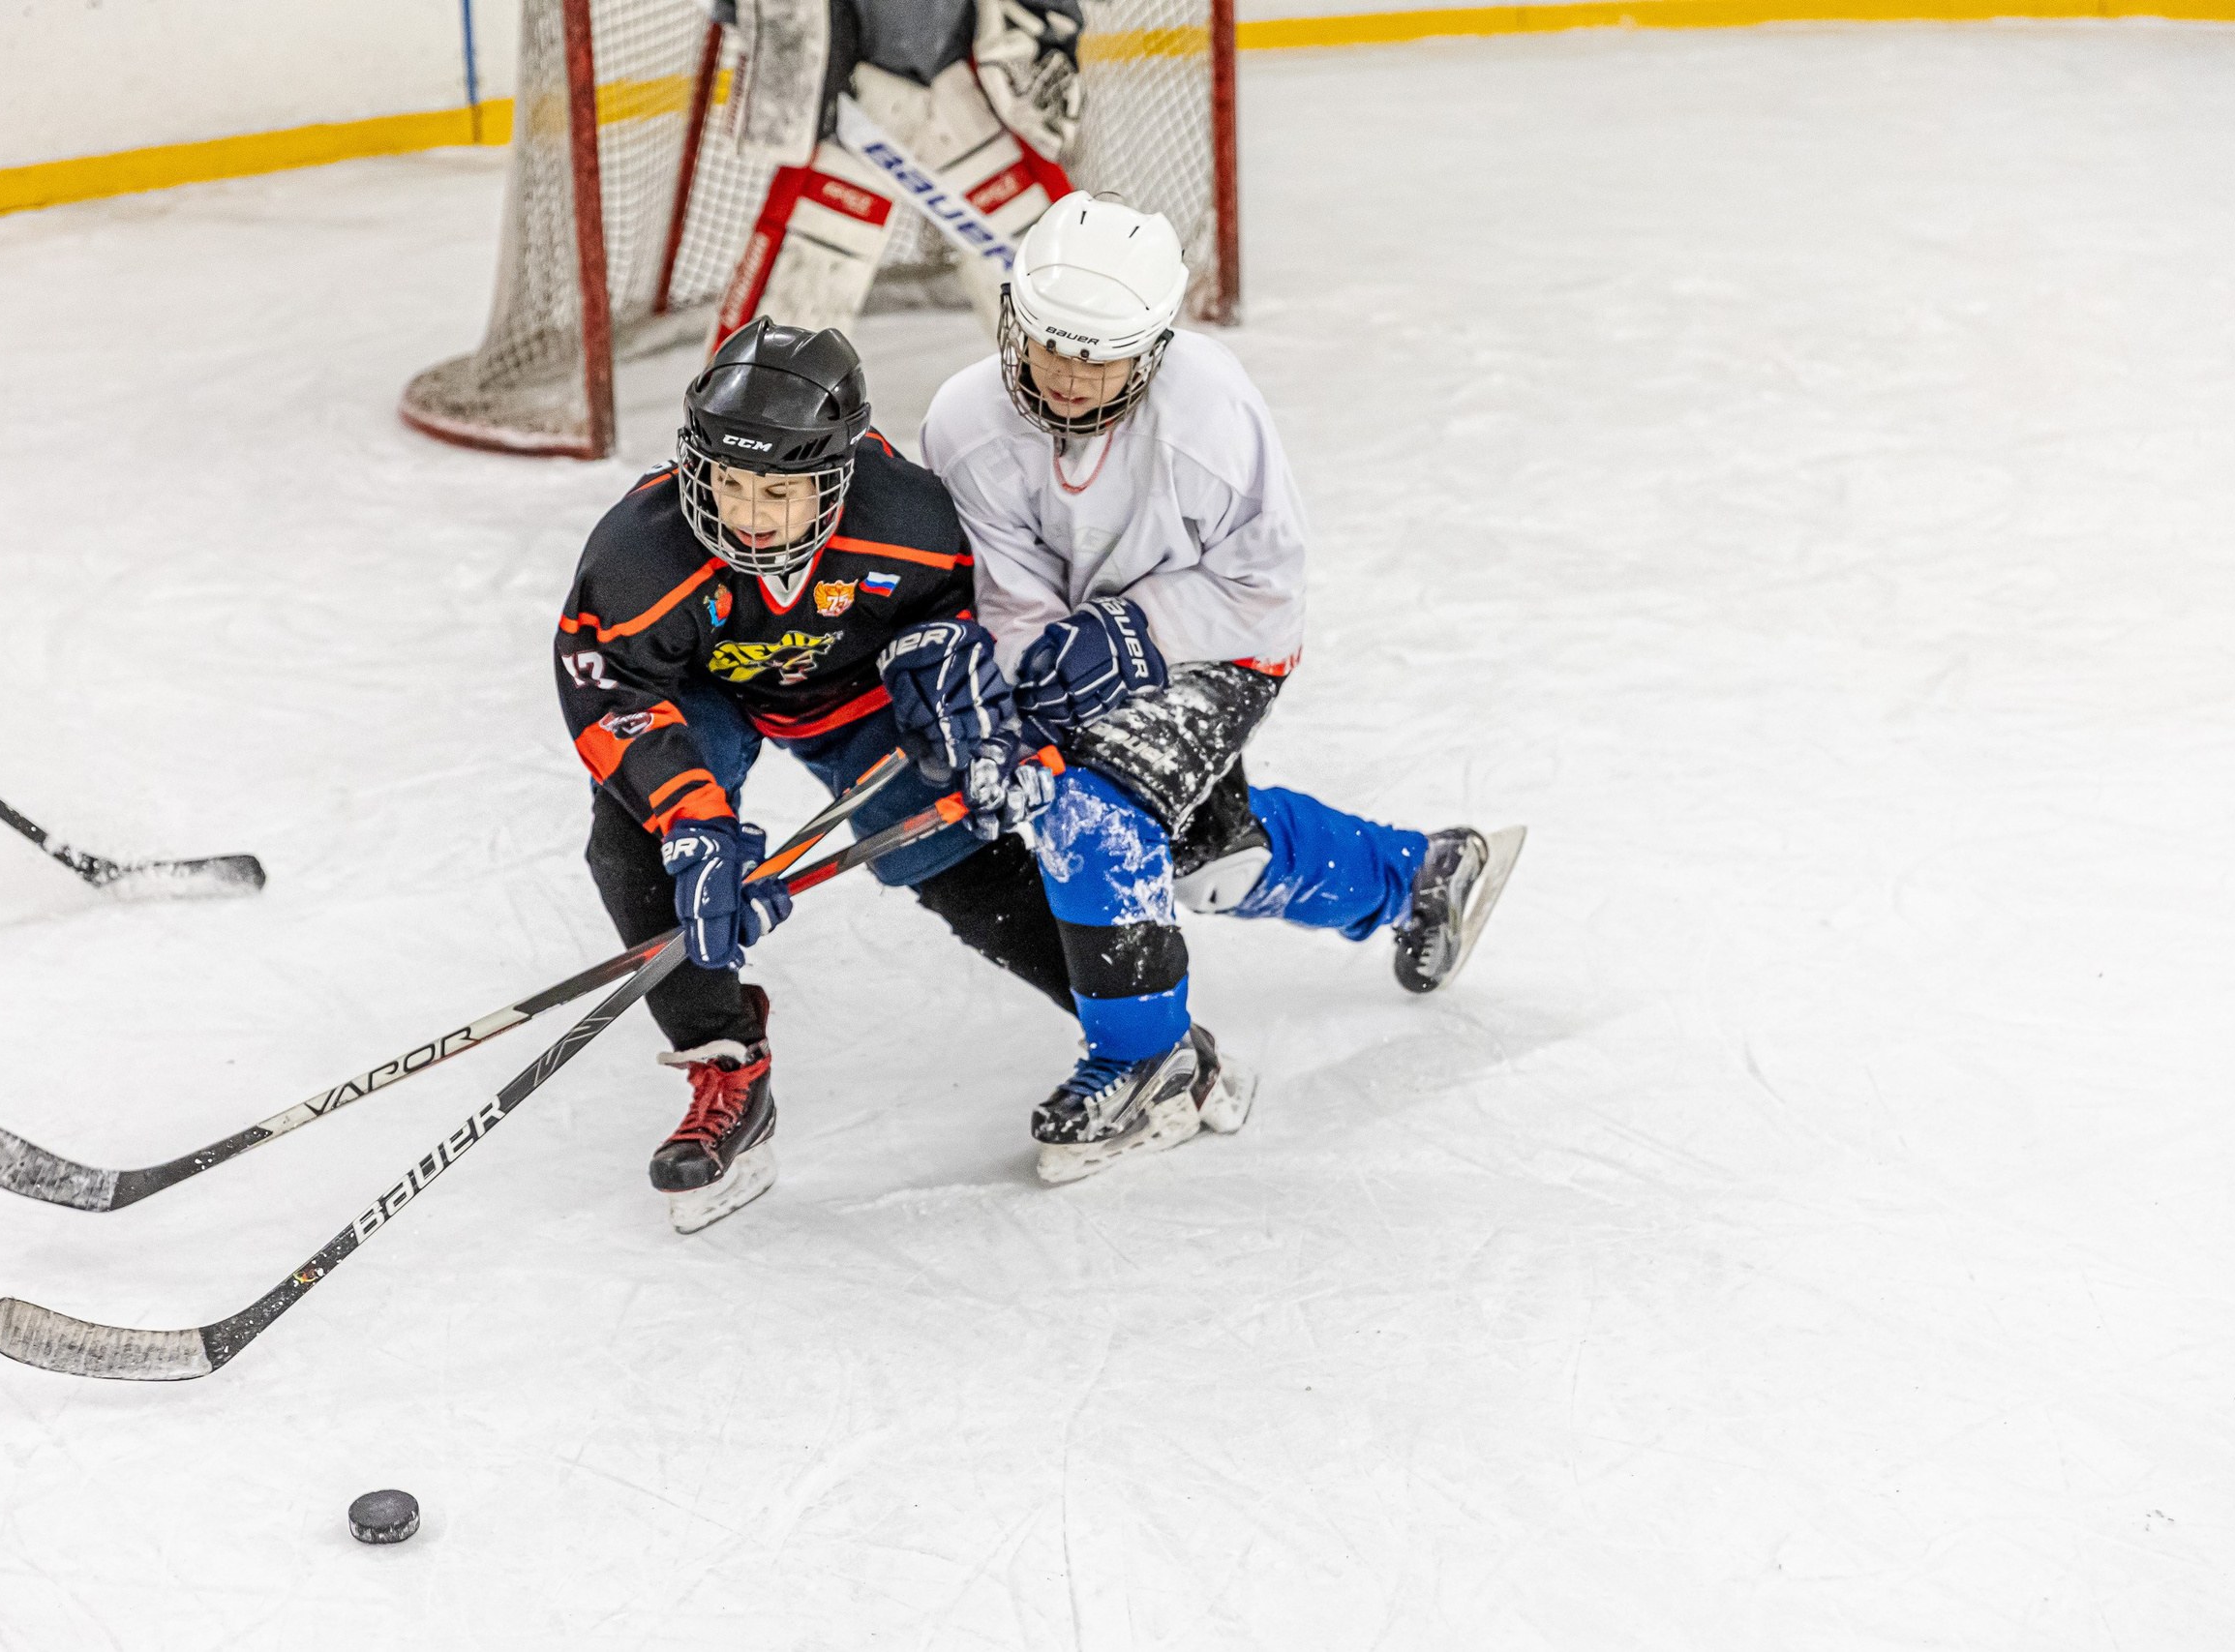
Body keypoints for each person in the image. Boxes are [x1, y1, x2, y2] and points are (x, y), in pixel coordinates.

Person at [917, 192, 1525, 1184]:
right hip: (1067, 649)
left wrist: (1138, 630)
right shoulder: (963, 420)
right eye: (1050, 344)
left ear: (1153, 348)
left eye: (1100, 355)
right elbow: (1004, 587)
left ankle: (1143, 1061)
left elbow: (1267, 595)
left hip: (1218, 649)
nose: (1069, 377)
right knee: (1207, 864)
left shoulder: (1211, 414)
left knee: (1087, 816)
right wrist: (1031, 681)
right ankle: (1420, 875)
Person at [555, 316, 1073, 1233]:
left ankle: (1122, 1021)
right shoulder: (639, 549)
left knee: (954, 851)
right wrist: (692, 822)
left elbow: (987, 610)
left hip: (860, 693)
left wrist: (954, 671)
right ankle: (730, 1070)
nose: (748, 511)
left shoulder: (914, 518)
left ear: (838, 477)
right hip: (707, 698)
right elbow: (614, 695)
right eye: (730, 481)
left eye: (780, 491)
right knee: (640, 844)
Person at [709, 0, 1085, 347]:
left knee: (1067, 307)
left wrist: (1048, 30)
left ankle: (1088, 412)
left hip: (963, 93)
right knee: (778, 335)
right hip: (851, 101)